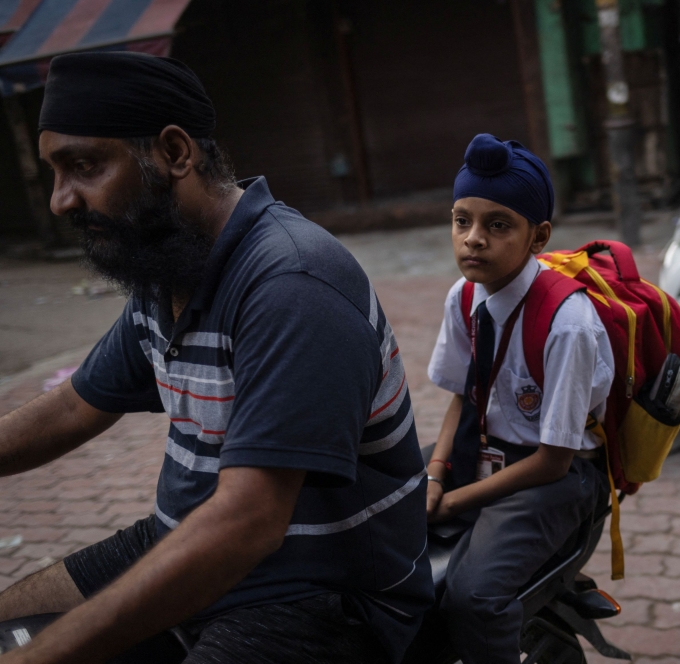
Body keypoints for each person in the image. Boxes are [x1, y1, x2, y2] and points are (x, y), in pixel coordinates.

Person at [0, 52, 432, 664]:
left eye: (85, 166)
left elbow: (248, 521)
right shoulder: (165, 270)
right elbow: (74, 405)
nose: (60, 201)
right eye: (54, 172)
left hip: (317, 592)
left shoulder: (292, 284)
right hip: (184, 537)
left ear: (176, 153)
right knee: (9, 620)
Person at [424, 134, 612, 663]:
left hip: (553, 474)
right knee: (367, 509)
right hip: (481, 451)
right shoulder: (463, 297)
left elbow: (554, 461)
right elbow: (463, 396)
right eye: (462, 221)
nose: (473, 239)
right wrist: (436, 473)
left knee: (473, 598)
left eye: (497, 224)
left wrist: (451, 502)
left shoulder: (566, 322)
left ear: (538, 235)